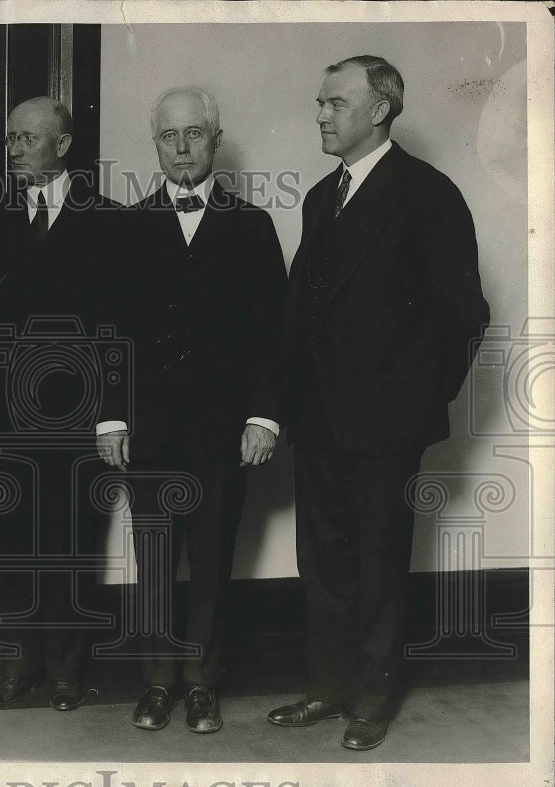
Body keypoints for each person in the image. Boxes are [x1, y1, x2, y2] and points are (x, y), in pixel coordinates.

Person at [268, 56, 489, 751]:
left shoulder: (429, 193)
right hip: (321, 418)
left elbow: (463, 314)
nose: (321, 115)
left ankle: (371, 695)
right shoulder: (318, 197)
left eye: (335, 103)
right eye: (319, 102)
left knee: (379, 561)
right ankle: (327, 688)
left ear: (380, 110)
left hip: (387, 423)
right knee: (323, 559)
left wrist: (417, 401)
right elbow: (301, 309)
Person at [97, 87, 287, 734]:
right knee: (152, 562)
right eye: (169, 136)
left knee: (211, 559)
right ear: (155, 144)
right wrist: (111, 417)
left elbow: (272, 333)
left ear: (215, 138)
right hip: (146, 431)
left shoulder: (252, 225)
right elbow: (109, 330)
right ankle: (157, 681)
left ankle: (202, 683)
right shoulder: (125, 227)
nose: (182, 147)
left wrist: (263, 417)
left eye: (194, 134)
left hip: (221, 432)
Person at [0, 96, 121, 712]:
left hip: (78, 414)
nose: (14, 149)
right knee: (11, 541)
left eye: (29, 139)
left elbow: (120, 327)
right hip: (3, 416)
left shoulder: (108, 219)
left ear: (64, 145)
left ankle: (68, 671)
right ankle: (19, 666)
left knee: (72, 542)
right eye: (11, 138)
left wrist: (109, 414)